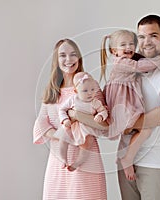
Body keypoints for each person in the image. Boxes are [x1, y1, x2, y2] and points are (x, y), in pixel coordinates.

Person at [117, 14, 160, 200]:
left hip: (154, 162)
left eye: (153, 36)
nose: (146, 42)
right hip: (125, 160)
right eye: (141, 37)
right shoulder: (133, 64)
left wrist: (131, 124)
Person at [33, 39, 107, 199]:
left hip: (87, 160)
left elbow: (105, 125)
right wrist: (62, 134)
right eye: (63, 55)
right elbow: (41, 124)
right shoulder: (52, 90)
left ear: (79, 58)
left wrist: (76, 116)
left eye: (73, 55)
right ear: (56, 60)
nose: (69, 59)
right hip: (59, 160)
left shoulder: (90, 87)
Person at [100, 29, 160, 180]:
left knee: (135, 130)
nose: (128, 47)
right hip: (121, 105)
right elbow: (144, 66)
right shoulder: (123, 63)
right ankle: (127, 159)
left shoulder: (127, 60)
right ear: (114, 51)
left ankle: (126, 157)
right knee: (145, 129)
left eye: (131, 44)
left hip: (125, 103)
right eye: (123, 45)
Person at [57, 72, 108, 171]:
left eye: (92, 90)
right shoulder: (73, 99)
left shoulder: (95, 102)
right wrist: (65, 119)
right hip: (73, 125)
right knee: (63, 139)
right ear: (76, 91)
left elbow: (103, 111)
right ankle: (63, 159)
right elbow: (61, 109)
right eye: (85, 91)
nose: (90, 93)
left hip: (87, 127)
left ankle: (77, 163)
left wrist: (100, 116)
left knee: (87, 144)